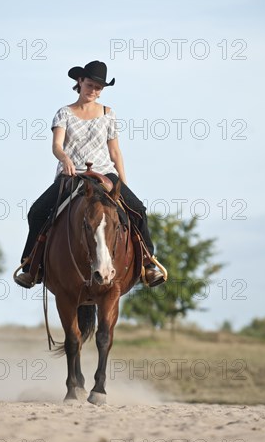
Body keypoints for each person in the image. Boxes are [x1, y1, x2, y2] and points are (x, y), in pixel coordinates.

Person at [14, 60, 164, 289]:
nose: (94, 91)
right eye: (90, 85)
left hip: (105, 172)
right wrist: (65, 159)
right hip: (73, 174)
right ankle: (30, 267)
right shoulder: (63, 113)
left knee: (139, 209)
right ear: (80, 82)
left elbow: (115, 151)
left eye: (99, 88)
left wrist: (122, 183)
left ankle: (148, 263)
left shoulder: (108, 114)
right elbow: (57, 145)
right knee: (37, 211)